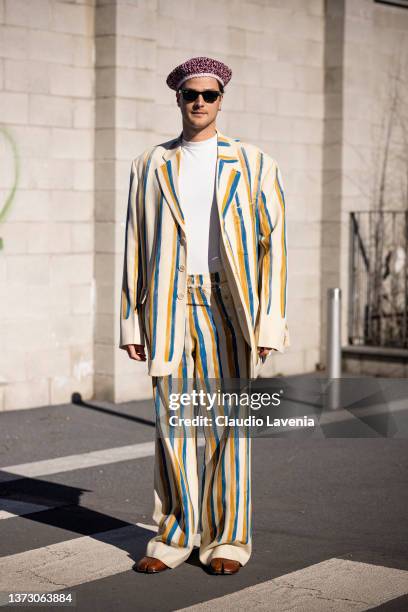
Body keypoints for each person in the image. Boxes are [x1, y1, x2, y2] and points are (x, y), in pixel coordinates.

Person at [119, 56, 290, 574]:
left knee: (227, 425)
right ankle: (173, 536)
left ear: (221, 100)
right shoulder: (150, 164)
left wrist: (269, 322)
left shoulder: (254, 162)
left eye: (209, 95)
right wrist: (131, 320)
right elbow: (134, 244)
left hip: (228, 305)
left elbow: (274, 248)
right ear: (177, 99)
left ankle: (228, 541)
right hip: (170, 306)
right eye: (190, 94)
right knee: (173, 421)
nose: (199, 102)